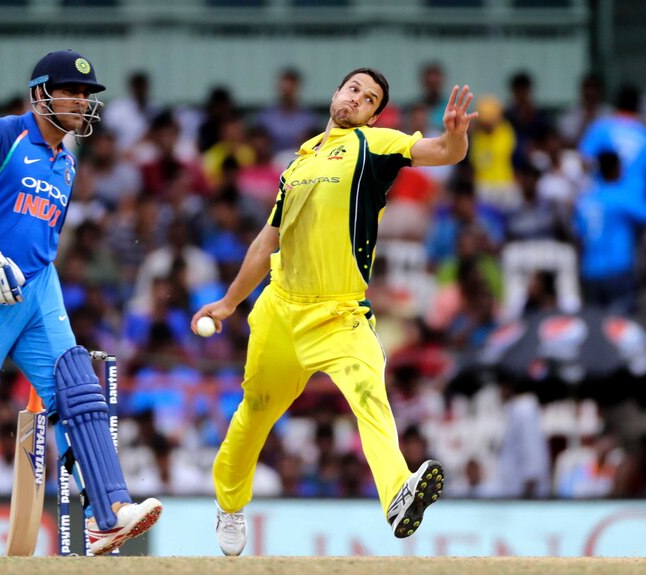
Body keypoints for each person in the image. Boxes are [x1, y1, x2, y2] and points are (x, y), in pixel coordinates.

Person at [191, 68, 477, 556]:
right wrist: (230, 302)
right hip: (281, 310)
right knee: (254, 415)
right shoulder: (299, 161)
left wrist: (454, 139)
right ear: (336, 93)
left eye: (370, 99)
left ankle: (397, 494)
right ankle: (230, 503)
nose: (358, 99)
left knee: (370, 395)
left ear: (373, 114)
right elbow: (268, 240)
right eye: (354, 89)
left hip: (340, 314)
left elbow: (440, 153)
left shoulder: (374, 145)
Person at [0, 49, 162, 557]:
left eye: (87, 95)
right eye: (70, 91)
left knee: (78, 389)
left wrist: (33, 278)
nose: (80, 101)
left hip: (38, 288)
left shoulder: (67, 163)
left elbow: (40, 235)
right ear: (40, 94)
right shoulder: (1, 135)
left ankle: (109, 515)